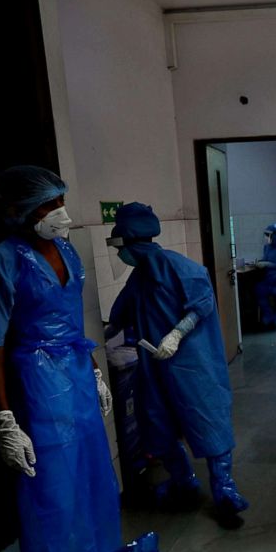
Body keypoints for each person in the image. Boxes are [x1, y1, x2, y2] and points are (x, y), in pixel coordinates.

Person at [0, 166, 157, 552]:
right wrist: (5, 418)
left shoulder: (67, 251)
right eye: (45, 205)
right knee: (50, 485)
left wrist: (94, 369)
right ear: (17, 212)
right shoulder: (0, 262)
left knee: (95, 468)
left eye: (59, 201)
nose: (58, 213)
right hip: (36, 378)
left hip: (75, 368)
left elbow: (72, 319)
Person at [105, 202, 249, 526]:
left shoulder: (181, 268)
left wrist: (175, 335)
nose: (120, 256)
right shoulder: (139, 278)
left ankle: (225, 490)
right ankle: (183, 482)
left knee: (207, 419)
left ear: (130, 240)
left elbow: (202, 305)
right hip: (153, 367)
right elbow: (120, 314)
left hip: (192, 365)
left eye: (120, 248)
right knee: (156, 422)